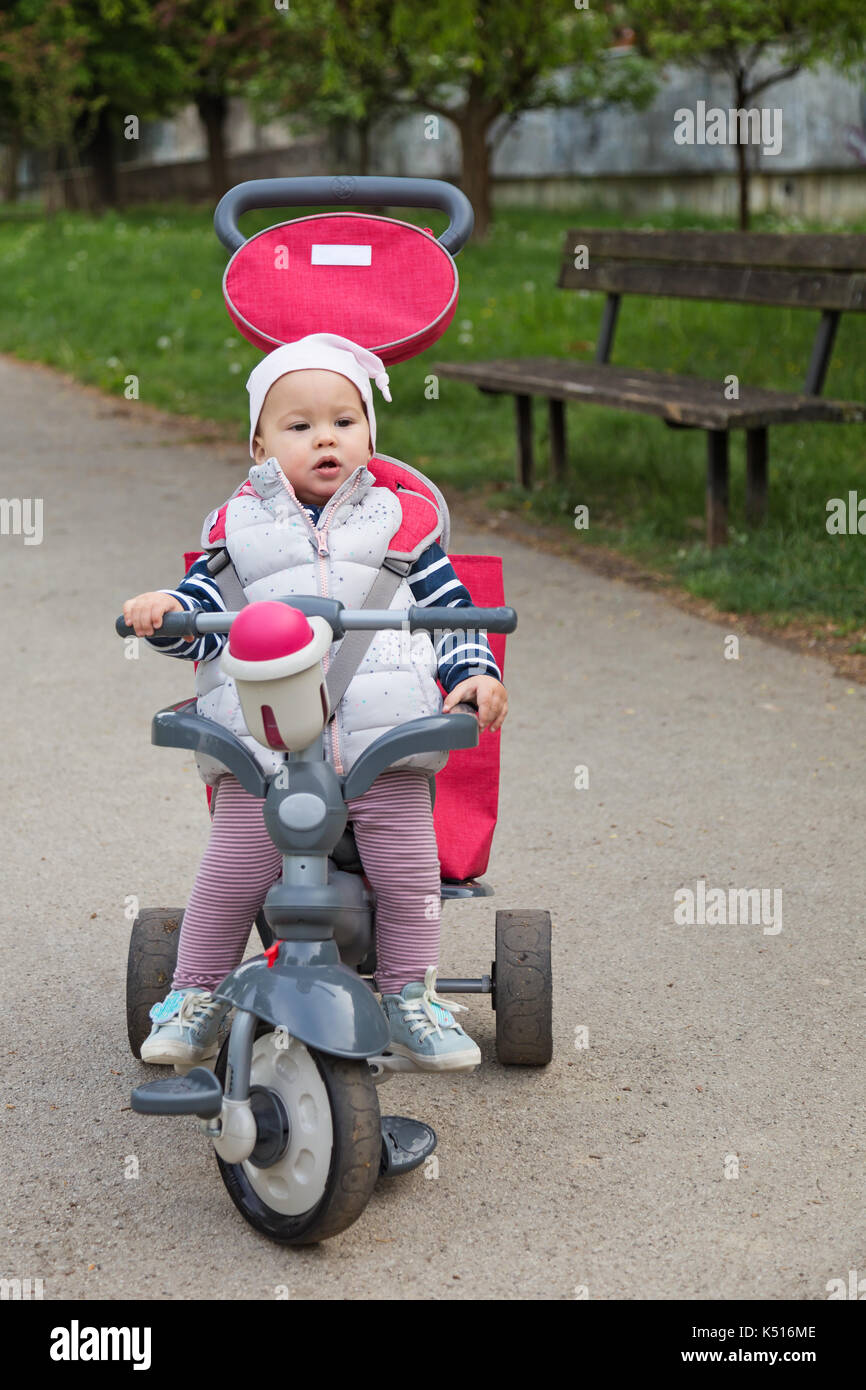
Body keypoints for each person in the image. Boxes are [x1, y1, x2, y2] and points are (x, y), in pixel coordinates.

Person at [123, 333, 508, 1074]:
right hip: (264, 749)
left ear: (371, 434)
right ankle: (195, 993)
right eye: (299, 426)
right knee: (232, 871)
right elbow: (204, 620)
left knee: (407, 874)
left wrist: (472, 673)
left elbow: (452, 610)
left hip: (382, 742)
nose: (325, 437)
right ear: (259, 446)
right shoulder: (237, 531)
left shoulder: (403, 525)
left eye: (345, 421)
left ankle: (410, 995)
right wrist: (166, 612)